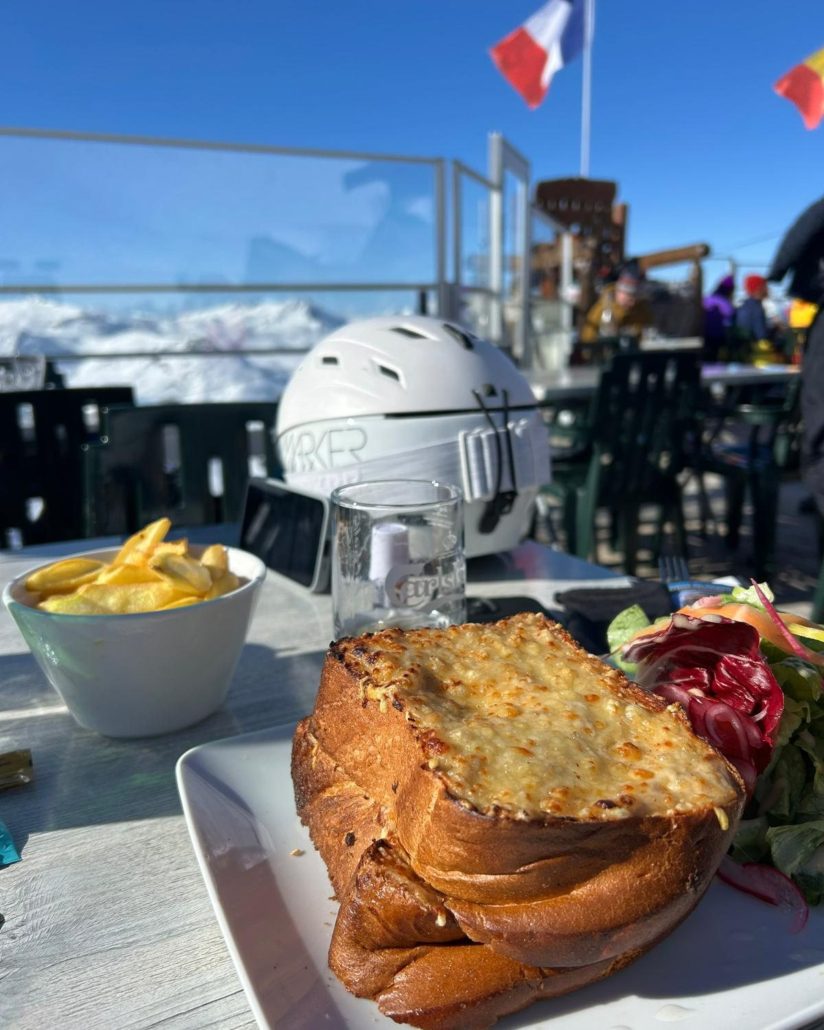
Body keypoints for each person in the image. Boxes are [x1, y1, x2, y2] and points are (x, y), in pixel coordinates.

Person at [579, 269, 653, 343]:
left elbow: (648, 332)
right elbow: (588, 338)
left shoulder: (641, 309)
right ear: (619, 292)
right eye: (629, 298)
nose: (632, 303)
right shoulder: (602, 310)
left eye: (635, 298)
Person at [702, 274, 735, 361]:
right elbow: (729, 322)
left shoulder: (707, 299)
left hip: (703, 334)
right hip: (717, 337)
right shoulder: (725, 303)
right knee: (713, 360)